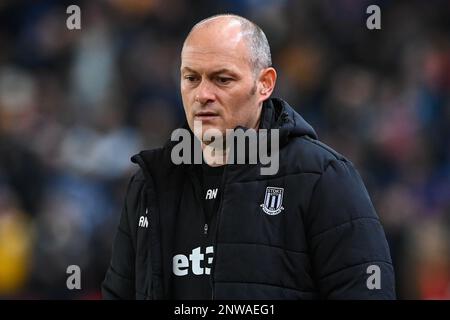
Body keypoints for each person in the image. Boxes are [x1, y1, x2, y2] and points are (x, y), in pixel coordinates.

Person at [102, 14, 396, 300]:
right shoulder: (149, 184)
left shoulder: (323, 178)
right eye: (191, 78)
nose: (202, 94)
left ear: (264, 84)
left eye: (222, 79)